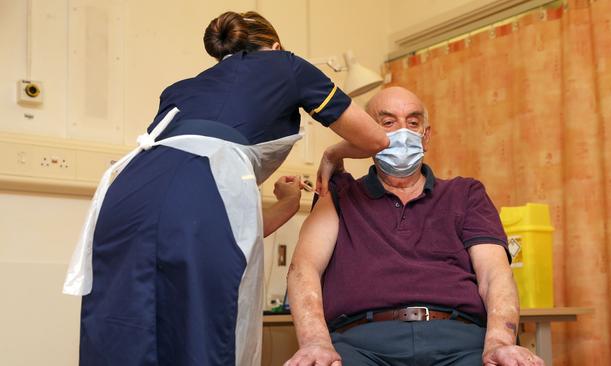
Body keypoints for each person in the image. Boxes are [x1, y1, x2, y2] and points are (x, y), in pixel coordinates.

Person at [62, 11, 389, 366]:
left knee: (126, 329)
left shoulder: (180, 90)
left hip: (124, 196)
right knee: (205, 335)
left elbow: (216, 227)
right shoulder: (287, 65)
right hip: (196, 196)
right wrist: (331, 153)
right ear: (276, 46)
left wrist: (287, 204)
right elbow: (375, 138)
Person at [285, 87, 544, 366]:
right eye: (387, 123)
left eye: (413, 122)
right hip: (362, 345)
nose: (403, 133)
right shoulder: (339, 194)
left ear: (426, 136)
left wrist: (499, 343)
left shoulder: (466, 194)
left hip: (459, 341)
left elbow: (494, 273)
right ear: (365, 135)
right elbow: (304, 267)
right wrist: (316, 343)